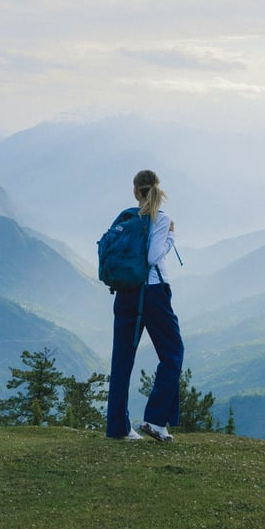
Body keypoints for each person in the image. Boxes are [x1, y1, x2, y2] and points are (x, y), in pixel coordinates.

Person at [105, 169, 184, 442]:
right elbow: (152, 257)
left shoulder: (129, 219)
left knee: (122, 360)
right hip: (153, 294)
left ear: (135, 191)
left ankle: (118, 428)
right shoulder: (161, 219)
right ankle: (155, 420)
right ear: (157, 189)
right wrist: (171, 237)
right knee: (173, 353)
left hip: (126, 292)